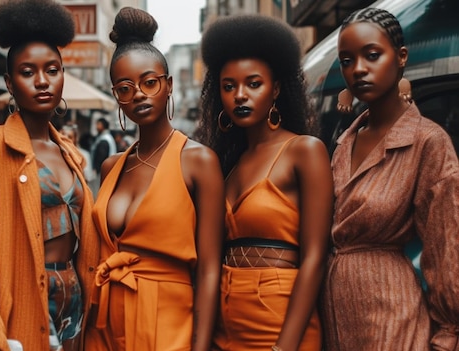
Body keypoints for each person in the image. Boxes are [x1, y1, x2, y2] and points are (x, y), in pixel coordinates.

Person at [84, 7, 224, 351]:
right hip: (106, 321)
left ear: (169, 85)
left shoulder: (198, 161)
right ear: (116, 95)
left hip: (169, 321)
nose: (139, 95)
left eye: (150, 82)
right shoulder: (111, 166)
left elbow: (209, 268)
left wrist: (199, 345)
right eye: (125, 88)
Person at [0, 1, 99, 350]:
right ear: (9, 82)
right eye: (27, 72)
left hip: (75, 306)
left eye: (52, 70)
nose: (42, 81)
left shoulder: (69, 152)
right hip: (23, 301)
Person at [320, 7, 459, 350]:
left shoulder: (427, 141)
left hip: (393, 316)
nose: (358, 70)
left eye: (371, 55)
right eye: (347, 60)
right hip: (335, 316)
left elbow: (445, 245)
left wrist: (448, 333)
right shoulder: (343, 142)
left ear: (400, 58)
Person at [196, 14, 333, 351]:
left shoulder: (304, 151)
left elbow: (315, 257)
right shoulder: (225, 162)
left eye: (253, 84)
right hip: (225, 325)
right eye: (229, 87)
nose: (239, 95)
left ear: (276, 88)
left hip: (279, 321)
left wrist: (284, 347)